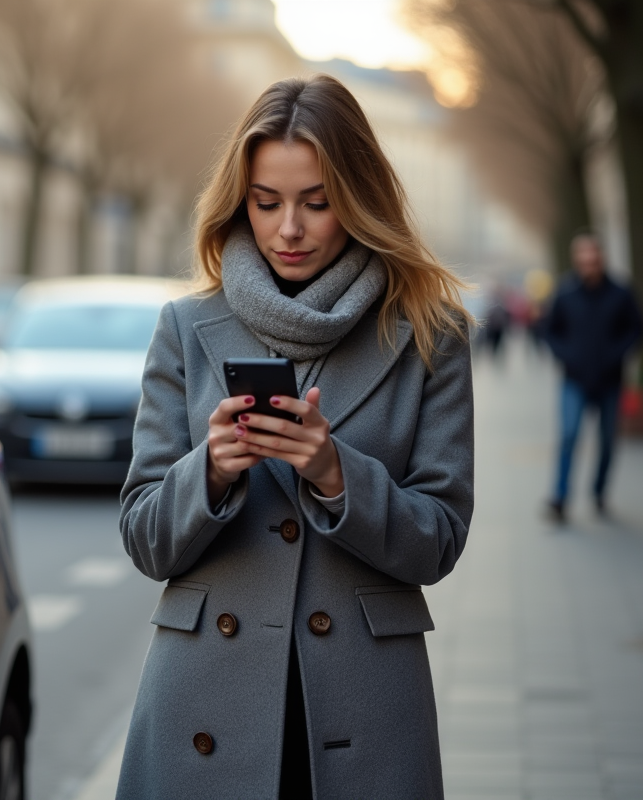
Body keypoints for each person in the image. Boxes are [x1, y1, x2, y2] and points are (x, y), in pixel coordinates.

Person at [116, 75, 475, 799]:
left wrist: (338, 476)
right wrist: (209, 472)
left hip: (365, 707)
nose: (289, 228)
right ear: (240, 200)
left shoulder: (431, 336)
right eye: (266, 202)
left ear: (359, 196)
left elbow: (438, 541)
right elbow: (145, 537)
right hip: (205, 706)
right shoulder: (186, 330)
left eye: (317, 202)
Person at [543, 234, 643, 521]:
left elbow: (639, 328)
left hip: (611, 381)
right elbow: (549, 330)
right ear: (577, 259)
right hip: (573, 380)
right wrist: (566, 355)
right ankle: (560, 499)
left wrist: (617, 354)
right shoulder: (564, 293)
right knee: (568, 436)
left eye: (594, 256)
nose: (589, 262)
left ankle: (599, 492)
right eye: (584, 257)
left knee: (608, 441)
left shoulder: (621, 293)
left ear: (602, 257)